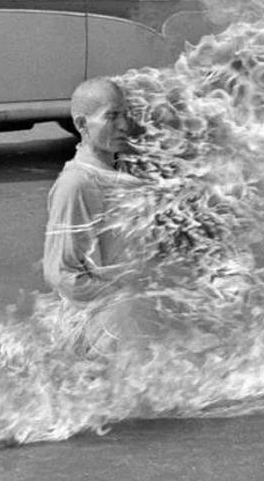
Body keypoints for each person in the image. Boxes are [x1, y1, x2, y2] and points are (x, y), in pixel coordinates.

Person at [43, 78, 162, 354]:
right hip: (107, 326)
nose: (124, 125)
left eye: (125, 114)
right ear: (82, 125)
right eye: (111, 116)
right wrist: (122, 301)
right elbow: (60, 273)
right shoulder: (77, 184)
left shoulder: (119, 170)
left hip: (130, 316)